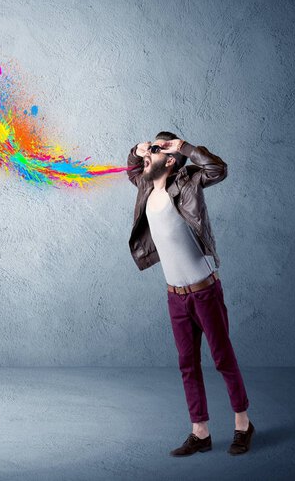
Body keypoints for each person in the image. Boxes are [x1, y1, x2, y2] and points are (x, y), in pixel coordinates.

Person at [127, 131, 254, 456]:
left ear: (170, 159)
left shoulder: (187, 183)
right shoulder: (145, 186)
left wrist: (183, 147)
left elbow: (217, 169)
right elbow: (132, 169)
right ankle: (200, 432)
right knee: (187, 363)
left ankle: (243, 424)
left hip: (204, 292)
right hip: (175, 297)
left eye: (155, 150)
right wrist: (137, 150)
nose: (147, 156)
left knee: (223, 358)